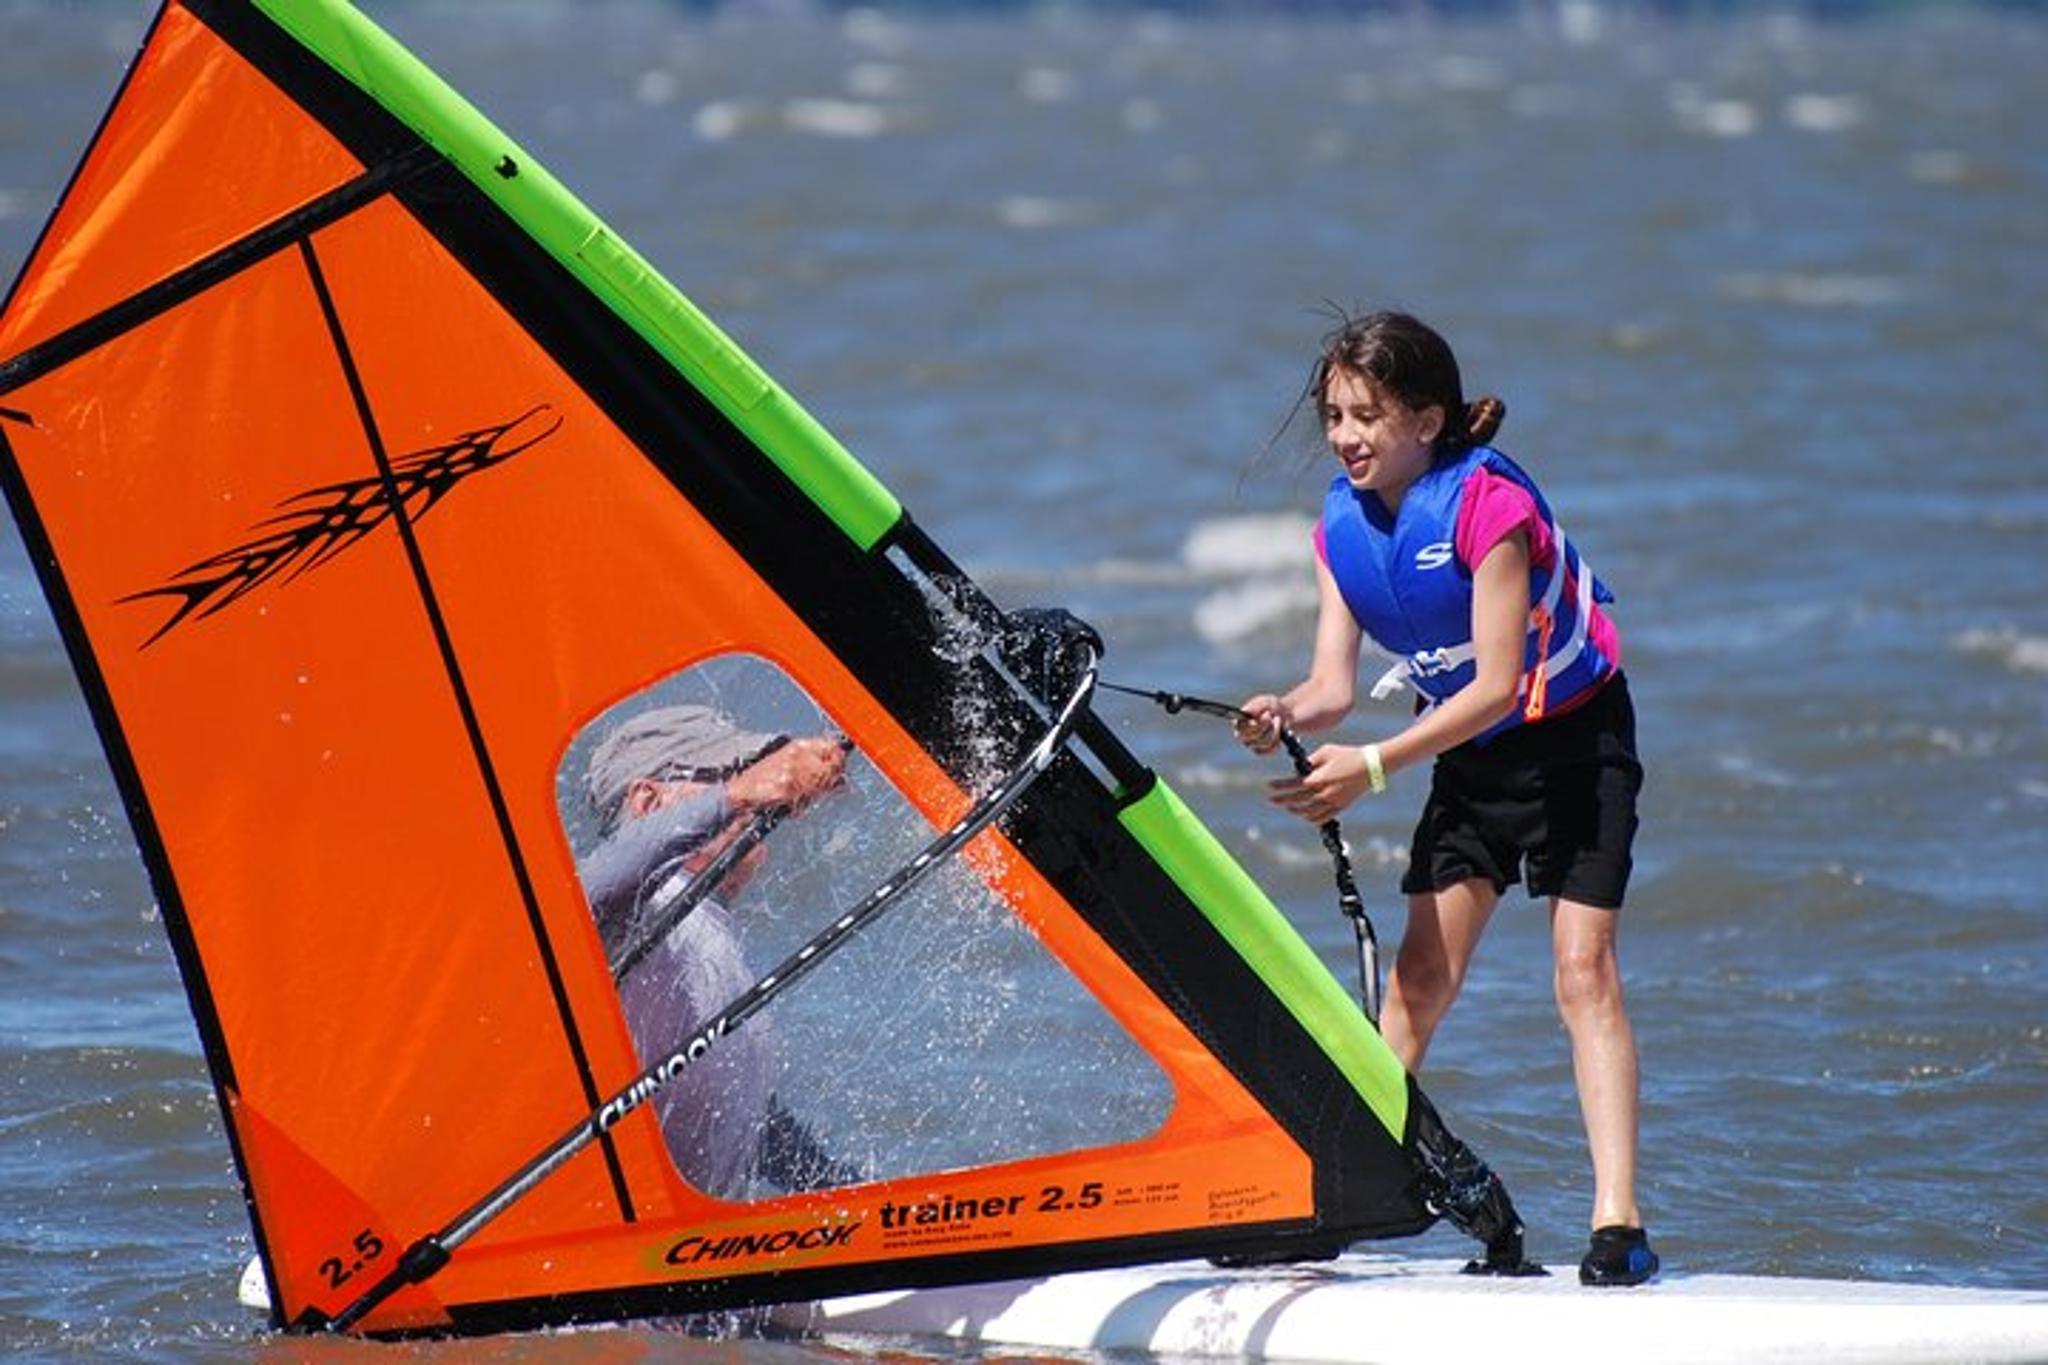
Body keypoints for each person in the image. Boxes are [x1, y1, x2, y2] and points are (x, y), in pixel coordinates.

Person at [1236, 310, 1657, 1287]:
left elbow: (1497, 686)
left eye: (1366, 416)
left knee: (1581, 972)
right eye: (1334, 416)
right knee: (1417, 983)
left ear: (1426, 421)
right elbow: (1331, 687)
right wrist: (1281, 709)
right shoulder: (1340, 529)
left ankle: (1617, 1224)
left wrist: (1373, 767)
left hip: (1577, 749)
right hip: (1474, 766)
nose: (1344, 437)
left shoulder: (1486, 509)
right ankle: (1335, 1197)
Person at [580, 703, 858, 1198]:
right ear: (649, 801)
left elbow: (744, 1120)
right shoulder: (622, 911)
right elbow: (594, 882)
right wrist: (737, 795)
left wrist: (852, 1197)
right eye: (730, 772)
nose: (761, 790)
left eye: (753, 772)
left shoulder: (708, 928)